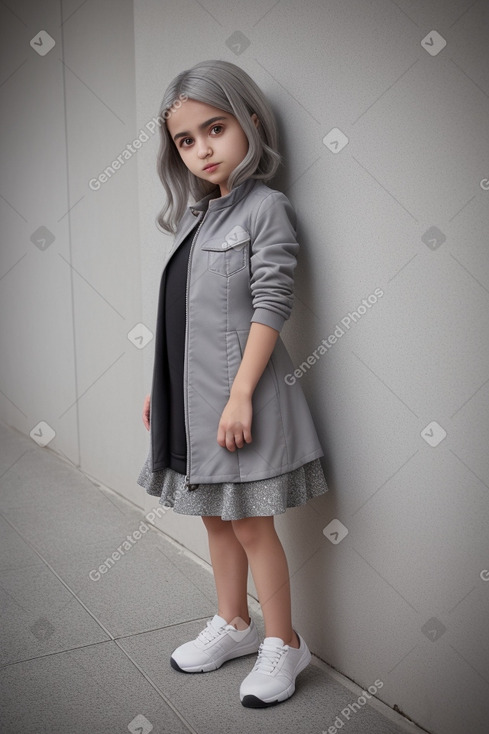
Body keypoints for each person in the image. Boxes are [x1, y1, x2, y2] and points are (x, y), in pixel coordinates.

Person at [137, 59, 329, 708]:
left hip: (240, 402)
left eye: (213, 129)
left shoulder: (265, 209)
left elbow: (270, 304)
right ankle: (234, 623)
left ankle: (284, 642)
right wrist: (158, 389)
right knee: (215, 520)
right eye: (185, 141)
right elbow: (182, 317)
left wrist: (242, 392)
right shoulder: (197, 217)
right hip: (191, 404)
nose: (200, 150)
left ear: (250, 120)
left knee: (251, 525)